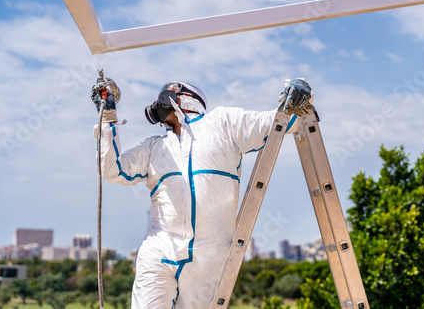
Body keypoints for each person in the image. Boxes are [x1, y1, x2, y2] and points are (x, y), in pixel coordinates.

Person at [92, 78, 312, 309]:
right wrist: (107, 115)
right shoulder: (153, 147)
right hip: (159, 250)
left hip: (210, 257)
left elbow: (282, 121)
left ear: (185, 98)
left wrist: (301, 94)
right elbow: (111, 169)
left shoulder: (223, 124)